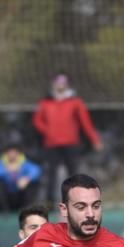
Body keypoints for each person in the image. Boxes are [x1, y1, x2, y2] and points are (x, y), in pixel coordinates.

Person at [33, 72, 102, 203]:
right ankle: (50, 202)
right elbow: (37, 121)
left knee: (73, 174)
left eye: (63, 82)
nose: (60, 85)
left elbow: (86, 123)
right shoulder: (45, 102)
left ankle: (75, 200)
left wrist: (95, 139)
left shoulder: (75, 102)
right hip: (51, 144)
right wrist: (48, 131)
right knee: (50, 174)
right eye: (57, 82)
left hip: (71, 143)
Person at [0, 144, 42, 212]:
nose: (12, 155)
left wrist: (26, 179)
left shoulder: (24, 163)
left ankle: (27, 210)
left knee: (33, 184)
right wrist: (6, 170)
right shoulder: (1, 163)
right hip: (6, 197)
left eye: (15, 152)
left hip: (20, 196)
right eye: (10, 152)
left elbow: (37, 171)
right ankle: (4, 212)